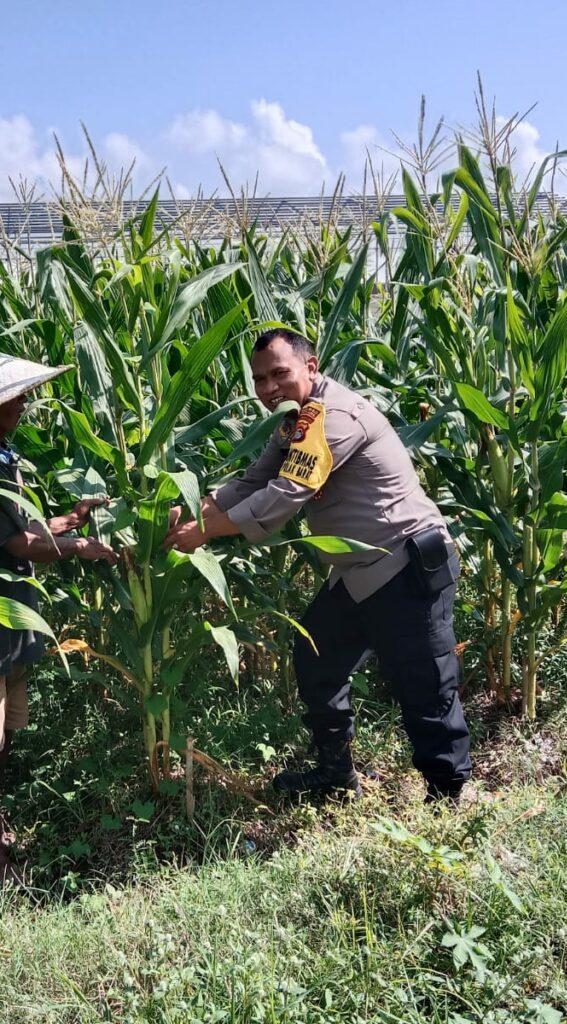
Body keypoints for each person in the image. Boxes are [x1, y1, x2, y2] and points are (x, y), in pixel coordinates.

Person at [164, 328, 471, 804]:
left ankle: (449, 794)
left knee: (425, 683)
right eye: (259, 379)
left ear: (311, 366)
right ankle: (335, 773)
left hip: (405, 563)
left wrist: (205, 532)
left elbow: (286, 493)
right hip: (358, 573)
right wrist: (194, 507)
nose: (269, 388)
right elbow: (254, 481)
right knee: (316, 656)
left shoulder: (334, 418)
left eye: (279, 373)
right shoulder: (295, 422)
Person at [0, 344, 117, 882]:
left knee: (3, 730)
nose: (24, 402)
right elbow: (15, 547)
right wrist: (80, 549)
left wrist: (69, 521)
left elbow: (23, 530)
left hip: (10, 620)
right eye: (13, 395)